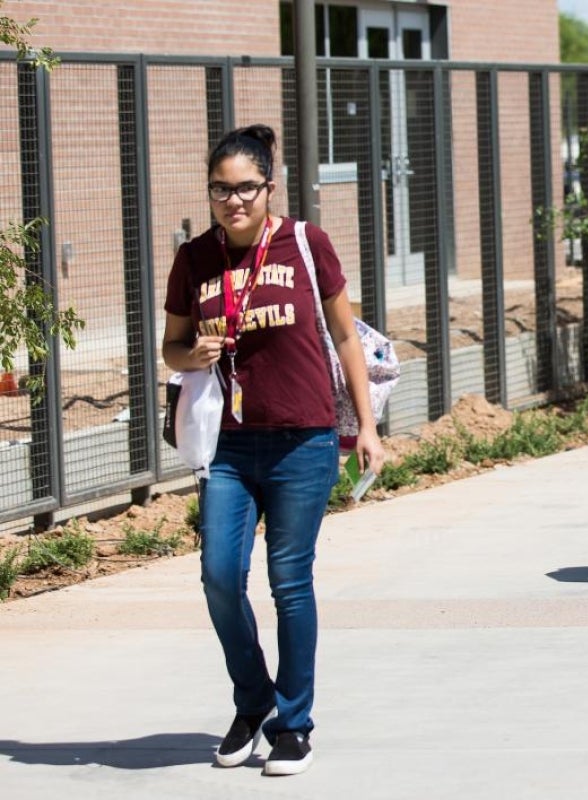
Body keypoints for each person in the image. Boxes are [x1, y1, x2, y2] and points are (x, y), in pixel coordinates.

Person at [161, 124, 385, 775]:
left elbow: (346, 339)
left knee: (290, 582)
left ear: (268, 187)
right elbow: (170, 349)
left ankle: (294, 723)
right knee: (220, 577)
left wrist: (365, 428)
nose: (234, 202)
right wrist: (191, 353)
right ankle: (253, 700)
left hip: (303, 440)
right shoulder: (195, 258)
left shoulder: (305, 244)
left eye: (246, 189)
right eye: (221, 191)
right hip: (228, 447)